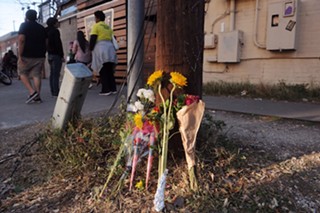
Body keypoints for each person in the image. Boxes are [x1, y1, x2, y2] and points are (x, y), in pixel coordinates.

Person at [18, 9, 47, 104]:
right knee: (36, 75)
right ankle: (37, 96)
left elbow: (21, 40)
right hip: (39, 55)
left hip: (26, 55)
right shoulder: (42, 28)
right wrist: (44, 52)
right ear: (36, 17)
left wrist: (20, 55)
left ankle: (32, 92)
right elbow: (46, 42)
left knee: (22, 73)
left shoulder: (24, 25)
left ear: (26, 17)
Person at [89, 10, 117, 96]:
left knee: (103, 70)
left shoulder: (96, 26)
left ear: (97, 18)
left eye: (95, 18)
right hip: (110, 49)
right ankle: (113, 89)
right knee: (109, 70)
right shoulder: (108, 27)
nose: (95, 19)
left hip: (101, 49)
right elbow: (114, 37)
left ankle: (106, 90)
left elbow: (93, 38)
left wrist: (91, 49)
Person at [46, 17, 64, 97]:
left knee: (52, 73)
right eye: (57, 22)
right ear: (54, 23)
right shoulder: (55, 31)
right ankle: (56, 91)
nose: (58, 23)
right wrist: (61, 55)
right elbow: (58, 44)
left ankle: (53, 91)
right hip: (56, 55)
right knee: (56, 74)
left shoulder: (46, 31)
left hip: (49, 54)